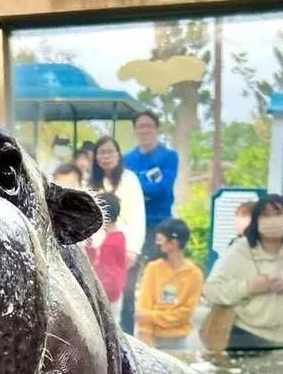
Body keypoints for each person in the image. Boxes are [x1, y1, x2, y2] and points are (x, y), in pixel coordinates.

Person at [199, 194, 283, 352]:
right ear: (256, 220)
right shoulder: (239, 251)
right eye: (265, 215)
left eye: (278, 214)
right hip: (246, 337)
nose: (272, 220)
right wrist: (249, 287)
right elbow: (210, 290)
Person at [123, 112, 179, 333]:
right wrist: (143, 192)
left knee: (158, 276)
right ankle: (126, 332)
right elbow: (128, 192)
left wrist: (137, 190)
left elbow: (162, 188)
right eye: (140, 127)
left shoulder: (169, 157)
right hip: (134, 225)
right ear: (135, 130)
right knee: (128, 279)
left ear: (156, 129)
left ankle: (157, 328)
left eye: (149, 126)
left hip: (160, 225)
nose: (144, 131)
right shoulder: (127, 159)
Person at [90, 136, 146, 332]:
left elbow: (138, 216)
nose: (106, 156)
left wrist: (132, 250)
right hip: (95, 249)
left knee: (125, 299)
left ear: (118, 155)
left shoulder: (129, 179)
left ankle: (127, 344)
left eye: (110, 152)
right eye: (101, 152)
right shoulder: (89, 181)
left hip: (123, 247)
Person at [135, 218, 203, 351]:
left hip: (179, 340)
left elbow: (184, 314)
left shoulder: (194, 274)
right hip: (150, 339)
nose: (157, 246)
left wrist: (151, 316)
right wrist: (146, 338)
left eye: (160, 243)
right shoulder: (153, 268)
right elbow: (143, 308)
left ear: (174, 244)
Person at [84, 192, 129, 322]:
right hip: (104, 294)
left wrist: (96, 291)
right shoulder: (109, 237)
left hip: (107, 297)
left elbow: (112, 276)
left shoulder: (112, 243)